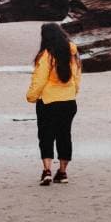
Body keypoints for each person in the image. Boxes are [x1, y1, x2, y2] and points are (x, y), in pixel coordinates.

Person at [26, 22, 81, 185]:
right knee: (65, 135)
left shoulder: (46, 55)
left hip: (48, 101)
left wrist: (31, 96)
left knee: (46, 136)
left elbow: (40, 79)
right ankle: (63, 172)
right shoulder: (73, 53)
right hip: (69, 102)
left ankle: (47, 171)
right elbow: (77, 77)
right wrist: (73, 92)